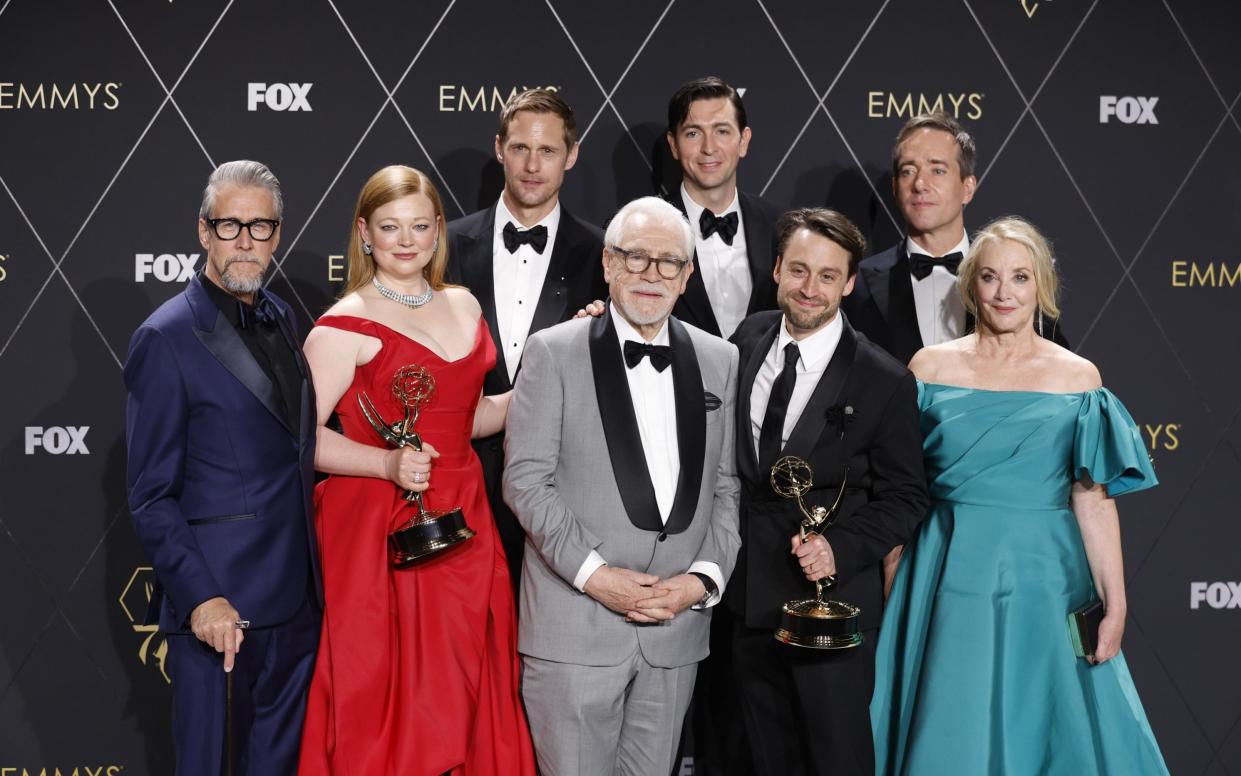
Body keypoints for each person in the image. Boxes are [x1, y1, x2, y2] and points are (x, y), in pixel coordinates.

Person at [870, 216, 1169, 774]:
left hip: (1046, 582)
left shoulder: (1078, 379)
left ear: (1041, 287)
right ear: (970, 286)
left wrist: (1117, 603)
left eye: (1020, 278)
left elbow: (1094, 500)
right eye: (989, 278)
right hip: (943, 572)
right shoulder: (928, 368)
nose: (1004, 293)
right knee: (947, 719)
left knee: (1048, 727)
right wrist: (894, 573)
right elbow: (899, 488)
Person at [296, 165, 535, 775]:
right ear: (364, 233)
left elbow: (470, 417)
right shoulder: (341, 324)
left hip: (464, 510)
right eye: (389, 227)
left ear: (438, 233)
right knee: (392, 688)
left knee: (464, 674)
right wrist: (385, 462)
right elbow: (299, 442)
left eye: (420, 226)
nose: (406, 240)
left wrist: (565, 354)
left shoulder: (463, 302)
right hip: (379, 522)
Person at [503, 196, 741, 776]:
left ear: (687, 276)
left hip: (676, 631)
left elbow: (728, 488)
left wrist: (700, 582)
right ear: (608, 264)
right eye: (636, 258)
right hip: (576, 628)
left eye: (668, 263)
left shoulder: (721, 359)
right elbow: (526, 483)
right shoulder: (552, 351)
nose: (651, 275)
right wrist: (597, 577)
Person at [125, 160, 321, 775]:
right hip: (221, 608)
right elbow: (151, 494)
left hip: (296, 600)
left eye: (259, 227)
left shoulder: (284, 319)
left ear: (278, 235)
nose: (244, 241)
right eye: (229, 225)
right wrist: (203, 598)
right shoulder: (166, 336)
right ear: (203, 231)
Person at [727, 208, 929, 775]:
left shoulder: (884, 379)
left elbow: (906, 496)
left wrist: (838, 547)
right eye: (798, 270)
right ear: (776, 270)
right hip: (744, 600)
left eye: (826, 276)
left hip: (831, 609)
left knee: (836, 760)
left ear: (849, 282)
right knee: (764, 761)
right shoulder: (745, 339)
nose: (809, 289)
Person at [447, 88, 607, 592]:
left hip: (562, 489)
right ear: (499, 148)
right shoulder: (442, 245)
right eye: (520, 148)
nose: (532, 165)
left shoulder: (606, 255)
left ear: (572, 156)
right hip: (458, 477)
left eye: (548, 151)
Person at [844, 113, 1068, 367]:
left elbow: (1055, 369)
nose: (919, 184)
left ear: (968, 188)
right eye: (908, 171)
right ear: (895, 188)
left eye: (937, 170)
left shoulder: (1017, 282)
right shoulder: (857, 284)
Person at [665, 76, 783, 340]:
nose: (708, 148)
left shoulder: (783, 228)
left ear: (743, 140)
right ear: (674, 144)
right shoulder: (643, 228)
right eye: (693, 133)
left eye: (722, 131)